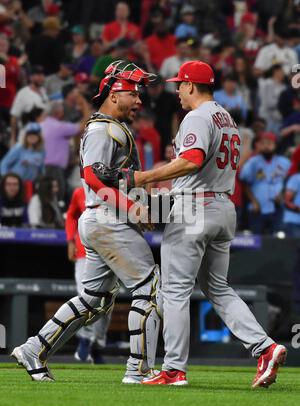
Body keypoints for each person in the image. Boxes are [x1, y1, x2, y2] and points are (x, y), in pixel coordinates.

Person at [117, 61, 287, 388]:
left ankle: (173, 370)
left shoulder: (196, 116)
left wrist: (145, 176)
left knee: (176, 290)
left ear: (192, 86)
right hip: (223, 207)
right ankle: (265, 347)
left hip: (196, 207)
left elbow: (192, 159)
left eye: (180, 85)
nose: (177, 91)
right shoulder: (227, 117)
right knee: (218, 288)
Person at [11, 60, 162, 385]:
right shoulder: (103, 129)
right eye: (134, 92)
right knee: (150, 290)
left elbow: (111, 178)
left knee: (94, 300)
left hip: (102, 220)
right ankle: (139, 371)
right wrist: (130, 208)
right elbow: (92, 177)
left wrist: (140, 203)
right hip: (109, 220)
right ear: (114, 92)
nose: (139, 100)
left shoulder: (108, 126)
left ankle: (34, 349)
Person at [66, 186, 112, 364]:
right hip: (84, 252)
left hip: (110, 251)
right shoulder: (79, 191)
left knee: (106, 302)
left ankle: (98, 344)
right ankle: (85, 339)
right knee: (86, 299)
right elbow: (71, 215)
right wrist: (70, 240)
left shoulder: (115, 190)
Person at [240, 132, 290, 234]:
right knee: (256, 241)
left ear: (275, 145)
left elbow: (290, 182)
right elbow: (244, 182)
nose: (266, 146)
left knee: (278, 240)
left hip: (278, 207)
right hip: (258, 207)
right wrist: (253, 201)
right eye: (263, 143)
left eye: (269, 143)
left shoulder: (284, 162)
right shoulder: (253, 162)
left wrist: (282, 195)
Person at [10, 66, 48, 146]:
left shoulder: (44, 92)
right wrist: (13, 138)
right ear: (31, 77)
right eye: (38, 75)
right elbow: (14, 116)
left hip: (41, 136)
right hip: (26, 136)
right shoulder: (23, 93)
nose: (41, 77)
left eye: (42, 75)